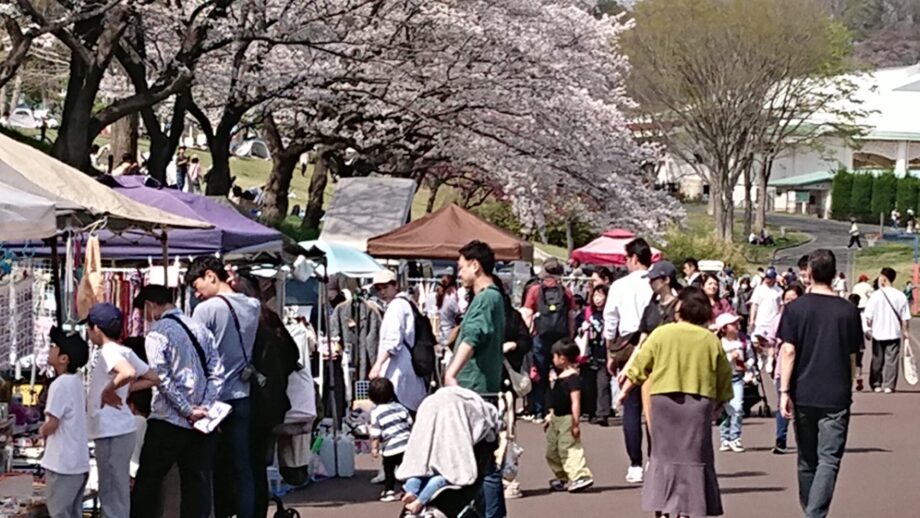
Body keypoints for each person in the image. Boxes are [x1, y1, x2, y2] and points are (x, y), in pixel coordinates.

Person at [616, 287, 733, 518]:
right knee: (694, 457)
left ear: (681, 308)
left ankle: (663, 505)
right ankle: (690, 508)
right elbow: (723, 376)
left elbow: (640, 365)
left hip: (664, 402)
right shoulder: (710, 340)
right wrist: (719, 403)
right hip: (698, 404)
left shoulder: (662, 333)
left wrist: (624, 391)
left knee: (663, 456)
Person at [778, 249, 862, 518]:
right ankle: (814, 512)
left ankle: (811, 511)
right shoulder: (848, 311)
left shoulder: (794, 309)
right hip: (836, 393)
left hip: (803, 391)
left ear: (809, 273)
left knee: (806, 458)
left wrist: (783, 391)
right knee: (829, 459)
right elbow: (852, 355)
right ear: (834, 276)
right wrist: (849, 385)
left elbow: (788, 351)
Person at [131, 285, 224, 518]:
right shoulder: (200, 328)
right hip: (202, 421)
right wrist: (205, 406)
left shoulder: (157, 333)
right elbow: (217, 371)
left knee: (149, 482)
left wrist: (186, 410)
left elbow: (160, 378)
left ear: (150, 306)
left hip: (168, 419)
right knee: (197, 482)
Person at [186, 257, 262, 518]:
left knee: (207, 467)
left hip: (212, 400)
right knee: (242, 468)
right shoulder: (253, 306)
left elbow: (194, 357)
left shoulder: (205, 311)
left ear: (210, 276)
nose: (197, 294)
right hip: (242, 394)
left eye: (197, 286)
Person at [444, 240, 506, 518]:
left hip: (475, 388)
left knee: (481, 459)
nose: (459, 273)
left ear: (475, 265)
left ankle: (490, 514)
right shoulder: (491, 297)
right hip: (480, 386)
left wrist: (451, 372)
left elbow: (474, 335)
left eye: (461, 267)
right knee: (480, 458)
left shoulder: (487, 298)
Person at [84, 303, 158, 518]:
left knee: (111, 492)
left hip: (110, 430)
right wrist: (124, 390)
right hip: (119, 429)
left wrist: (110, 390)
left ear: (96, 328)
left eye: (89, 329)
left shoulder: (108, 351)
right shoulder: (124, 350)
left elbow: (127, 372)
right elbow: (153, 378)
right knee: (117, 490)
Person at [603, 238, 654, 484]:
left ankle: (635, 463)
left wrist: (610, 353)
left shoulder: (620, 285)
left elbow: (610, 320)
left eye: (626, 258)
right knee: (654, 404)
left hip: (627, 344)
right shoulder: (658, 283)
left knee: (631, 405)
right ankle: (654, 458)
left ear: (634, 258)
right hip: (656, 343)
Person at [41, 328, 90, 518]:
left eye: (55, 347)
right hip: (77, 462)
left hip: (62, 464)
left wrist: (41, 430)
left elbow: (53, 423)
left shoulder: (60, 384)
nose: (51, 349)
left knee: (59, 513)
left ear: (64, 359)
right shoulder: (76, 382)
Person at [521, 258, 574, 420]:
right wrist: (570, 335)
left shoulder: (535, 290)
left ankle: (539, 410)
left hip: (540, 336)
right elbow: (571, 316)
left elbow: (528, 313)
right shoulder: (565, 291)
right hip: (560, 336)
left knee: (540, 374)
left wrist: (527, 333)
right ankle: (561, 410)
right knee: (562, 373)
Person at [368, 270, 428, 412]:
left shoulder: (396, 306)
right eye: (378, 289)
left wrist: (378, 364)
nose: (382, 292)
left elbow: (392, 341)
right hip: (407, 367)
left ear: (396, 285)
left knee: (394, 412)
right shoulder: (407, 303)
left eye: (385, 287)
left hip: (398, 369)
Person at [544, 340, 594, 493]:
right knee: (552, 451)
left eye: (554, 356)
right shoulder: (559, 377)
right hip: (556, 418)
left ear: (563, 358)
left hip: (567, 418)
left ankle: (581, 475)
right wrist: (550, 415)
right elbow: (554, 399)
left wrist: (575, 423)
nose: (553, 359)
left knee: (569, 448)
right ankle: (562, 476)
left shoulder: (573, 378)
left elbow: (575, 401)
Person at [864, 267, 911, 393]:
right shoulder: (900, 295)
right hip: (894, 332)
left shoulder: (875, 296)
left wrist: (867, 329)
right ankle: (889, 385)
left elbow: (868, 315)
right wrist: (906, 331)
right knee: (892, 359)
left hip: (878, 332)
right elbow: (905, 317)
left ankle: (876, 383)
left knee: (877, 359)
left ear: (884, 279)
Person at [768, 285, 803, 454]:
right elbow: (771, 341)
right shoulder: (778, 319)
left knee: (801, 406)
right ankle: (780, 439)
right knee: (783, 404)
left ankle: (802, 440)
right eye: (787, 299)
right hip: (783, 366)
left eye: (793, 299)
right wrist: (769, 359)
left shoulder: (805, 318)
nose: (790, 302)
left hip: (802, 367)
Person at [368, 377, 413, 502]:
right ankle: (410, 490)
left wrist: (374, 448)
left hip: (390, 447)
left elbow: (375, 433)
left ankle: (389, 491)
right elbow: (410, 422)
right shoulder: (400, 407)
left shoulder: (376, 412)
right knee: (406, 469)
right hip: (405, 443)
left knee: (389, 470)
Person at [715, 313, 754, 454]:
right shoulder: (718, 343)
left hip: (737, 378)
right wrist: (730, 357)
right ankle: (724, 437)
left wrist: (747, 366)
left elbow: (751, 358)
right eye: (733, 324)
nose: (737, 326)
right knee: (725, 408)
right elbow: (716, 361)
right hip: (723, 379)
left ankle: (735, 437)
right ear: (724, 328)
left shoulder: (743, 341)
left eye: (737, 323)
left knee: (737, 407)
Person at [578, 285, 612, 426]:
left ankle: (602, 413)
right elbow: (576, 329)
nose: (598, 299)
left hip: (604, 351)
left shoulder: (611, 313)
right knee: (589, 384)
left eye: (601, 295)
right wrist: (582, 329)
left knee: (603, 383)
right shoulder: (587, 312)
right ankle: (590, 411)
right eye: (595, 296)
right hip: (589, 352)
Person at [750, 266, 782, 374]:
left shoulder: (778, 291)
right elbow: (754, 305)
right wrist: (752, 319)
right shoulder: (759, 289)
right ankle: (759, 357)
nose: (767, 279)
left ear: (773, 279)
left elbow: (781, 306)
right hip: (760, 320)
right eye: (766, 277)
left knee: (770, 343)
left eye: (769, 278)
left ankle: (770, 360)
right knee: (756, 341)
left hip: (772, 320)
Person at [436, 274, 461, 348]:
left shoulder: (444, 299)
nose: (438, 288)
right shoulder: (450, 300)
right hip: (450, 334)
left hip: (444, 334)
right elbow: (459, 314)